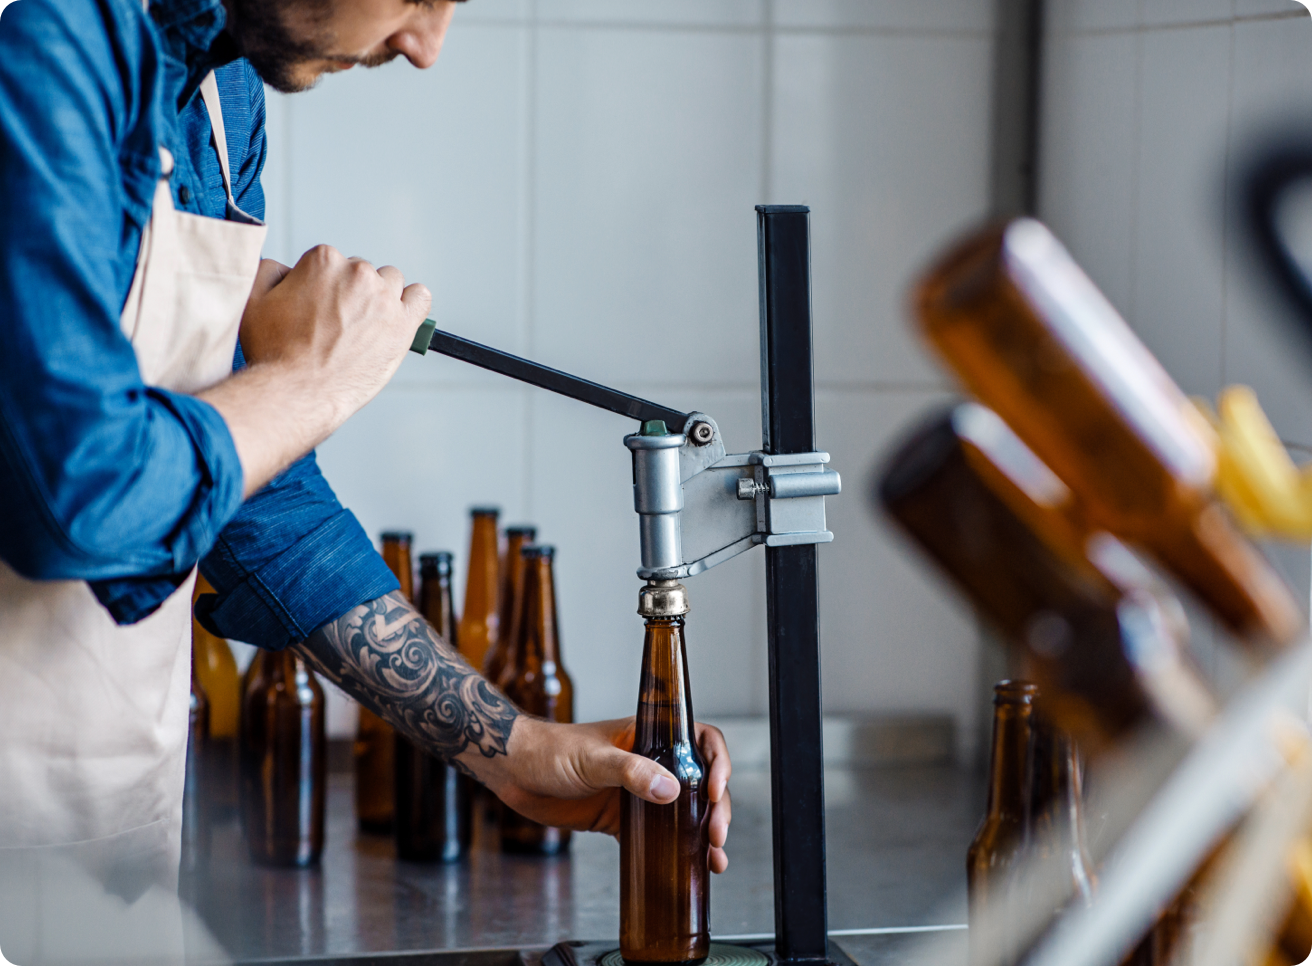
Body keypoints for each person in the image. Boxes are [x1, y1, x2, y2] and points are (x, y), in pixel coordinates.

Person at [0, 0, 731, 908]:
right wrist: (315, 383)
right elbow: (77, 496)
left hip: (102, 850)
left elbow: (260, 495)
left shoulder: (225, 94)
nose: (425, 48)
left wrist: (513, 750)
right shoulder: (40, 34)